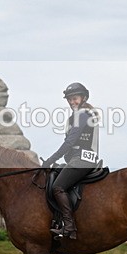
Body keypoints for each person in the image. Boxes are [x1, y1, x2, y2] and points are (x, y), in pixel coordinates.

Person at [41, 83, 101, 240]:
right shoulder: (77, 116)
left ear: (83, 98)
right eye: (69, 99)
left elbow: (69, 143)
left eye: (74, 98)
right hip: (76, 159)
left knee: (58, 187)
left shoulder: (83, 115)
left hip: (83, 159)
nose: (72, 102)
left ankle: (69, 227)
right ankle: (58, 221)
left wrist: (50, 160)